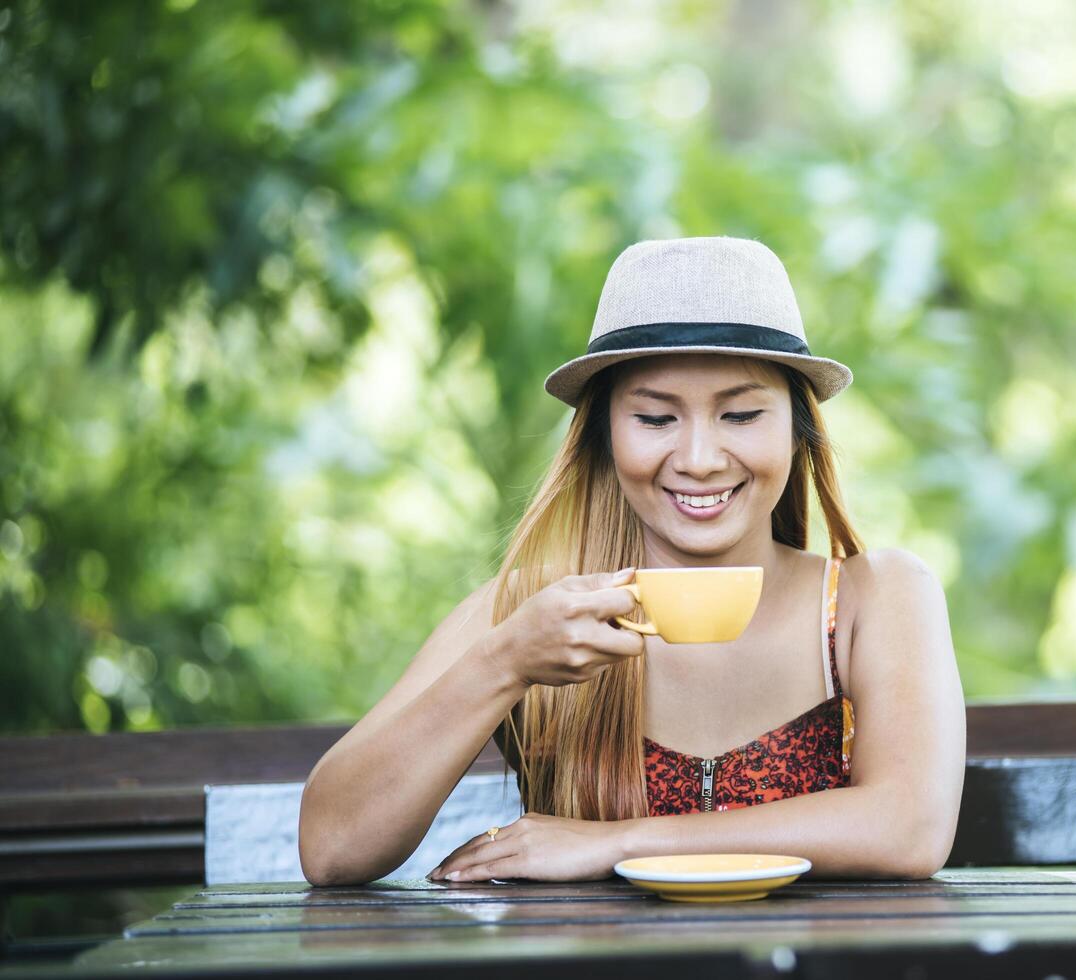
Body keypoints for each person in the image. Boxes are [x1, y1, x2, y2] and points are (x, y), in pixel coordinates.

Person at [298, 236, 966, 885]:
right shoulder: (532, 613)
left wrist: (618, 842)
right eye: (654, 419)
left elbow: (907, 828)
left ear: (796, 431)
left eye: (740, 415)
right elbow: (332, 851)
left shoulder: (873, 598)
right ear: (603, 434)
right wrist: (503, 664)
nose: (700, 457)